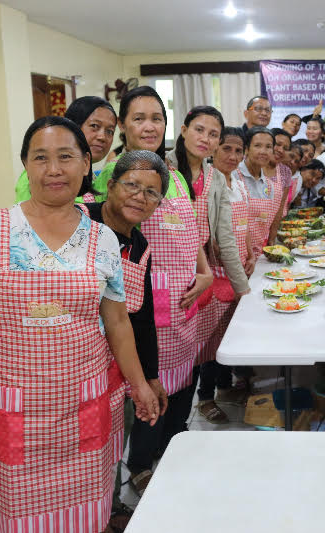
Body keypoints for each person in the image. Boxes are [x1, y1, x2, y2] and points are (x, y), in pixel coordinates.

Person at [0, 117, 159, 533]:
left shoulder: (101, 238)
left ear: (86, 165)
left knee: (90, 514)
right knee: (22, 515)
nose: (54, 170)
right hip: (17, 403)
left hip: (87, 398)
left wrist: (139, 384)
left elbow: (116, 321)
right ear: (25, 166)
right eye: (40, 158)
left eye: (66, 157)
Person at [91, 87, 213, 496]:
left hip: (183, 302)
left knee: (183, 383)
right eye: (138, 118)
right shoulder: (107, 176)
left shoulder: (173, 174)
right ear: (122, 124)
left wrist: (206, 271)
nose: (149, 126)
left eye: (156, 118)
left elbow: (193, 230)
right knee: (147, 388)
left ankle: (174, 449)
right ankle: (141, 463)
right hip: (140, 308)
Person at [80, 150, 169, 528]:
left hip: (115, 367)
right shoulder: (80, 222)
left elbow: (142, 317)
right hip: (69, 361)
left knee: (110, 443)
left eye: (152, 193)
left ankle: (110, 508)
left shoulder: (140, 245)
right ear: (111, 185)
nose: (140, 197)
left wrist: (150, 377)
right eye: (132, 185)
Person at [165, 107, 251, 426]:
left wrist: (243, 289)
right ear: (184, 130)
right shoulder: (163, 170)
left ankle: (189, 417)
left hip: (203, 272)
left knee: (200, 350)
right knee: (172, 361)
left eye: (213, 134)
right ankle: (150, 451)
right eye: (199, 130)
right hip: (168, 272)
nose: (206, 138)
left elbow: (224, 237)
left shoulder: (215, 179)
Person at [195, 127, 256, 424]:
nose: (233, 156)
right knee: (210, 339)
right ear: (215, 149)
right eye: (226, 149)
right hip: (217, 270)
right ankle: (205, 397)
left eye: (238, 151)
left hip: (237, 266)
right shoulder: (210, 183)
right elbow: (214, 235)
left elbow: (241, 225)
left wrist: (250, 254)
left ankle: (224, 386)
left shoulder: (239, 181)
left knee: (228, 336)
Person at [14, 96, 116, 202]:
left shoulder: (93, 177)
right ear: (72, 126)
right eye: (94, 126)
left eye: (109, 131)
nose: (102, 137)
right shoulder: (37, 175)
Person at [236, 127, 283, 258]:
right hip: (231, 258)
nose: (263, 151)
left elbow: (271, 224)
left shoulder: (273, 188)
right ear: (247, 149)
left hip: (258, 257)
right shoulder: (232, 177)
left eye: (268, 147)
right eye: (257, 145)